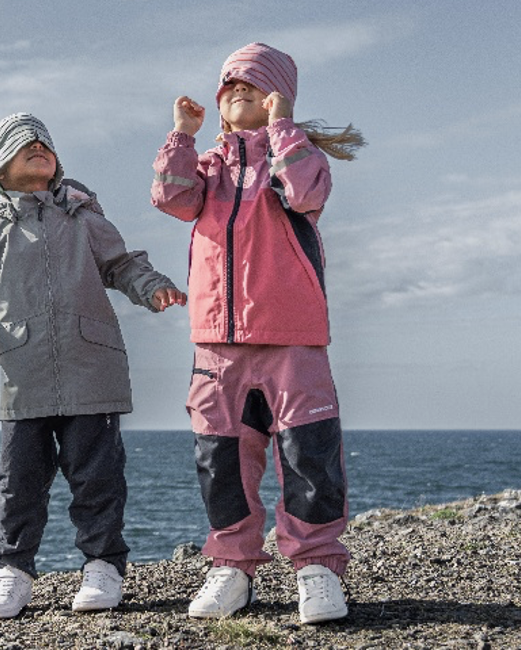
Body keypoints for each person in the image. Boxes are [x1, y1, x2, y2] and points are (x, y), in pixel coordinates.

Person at [0, 112, 186, 619]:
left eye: (43, 144)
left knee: (97, 476)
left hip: (91, 369)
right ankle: (13, 570)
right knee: (18, 481)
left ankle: (103, 564)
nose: (37, 148)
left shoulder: (85, 218)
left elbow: (122, 264)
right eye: (23, 146)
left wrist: (152, 286)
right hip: (23, 377)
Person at [150, 42, 365, 624]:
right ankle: (232, 568)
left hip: (292, 335)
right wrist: (183, 135)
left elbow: (307, 194)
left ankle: (317, 567)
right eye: (230, 88)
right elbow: (170, 197)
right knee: (221, 458)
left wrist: (283, 128)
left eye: (253, 86)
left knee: (309, 454)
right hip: (217, 341)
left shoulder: (296, 154)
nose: (237, 93)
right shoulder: (210, 167)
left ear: (278, 98)